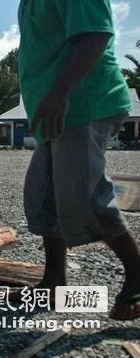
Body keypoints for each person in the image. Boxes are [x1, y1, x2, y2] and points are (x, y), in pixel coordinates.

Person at [18, 0, 139, 319]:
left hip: (83, 103)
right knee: (44, 196)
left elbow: (94, 36)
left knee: (83, 197)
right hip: (54, 110)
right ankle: (54, 281)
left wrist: (60, 93)